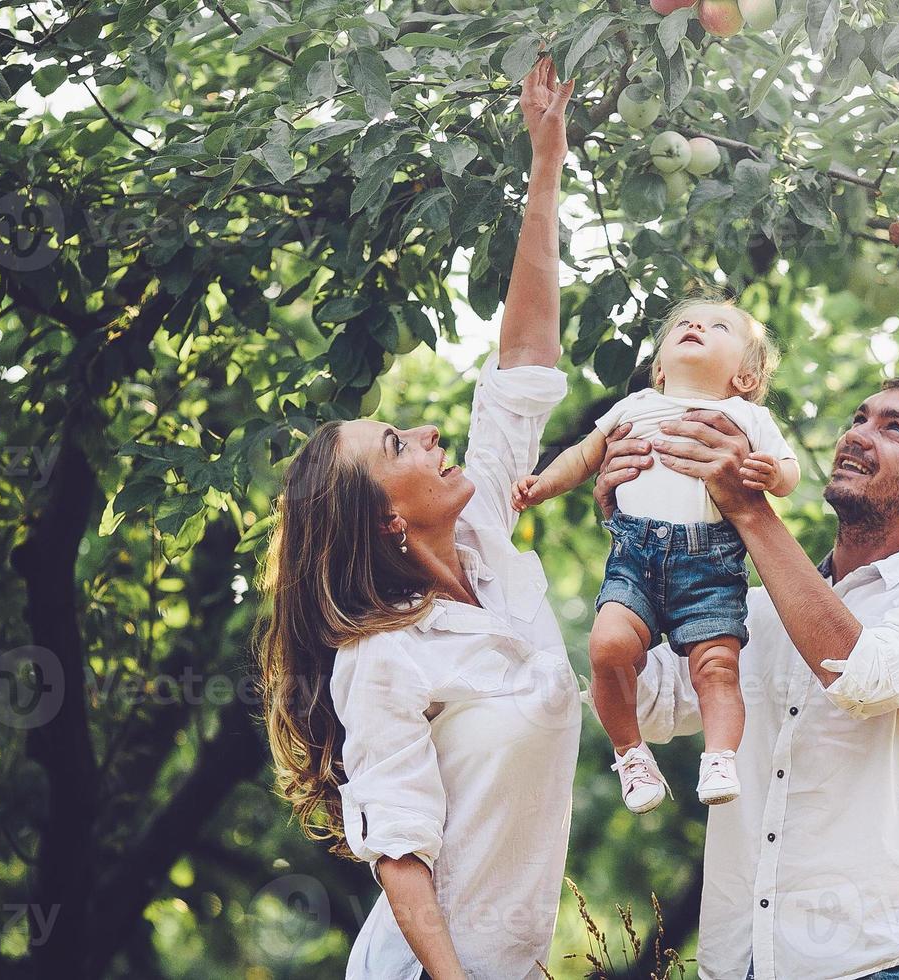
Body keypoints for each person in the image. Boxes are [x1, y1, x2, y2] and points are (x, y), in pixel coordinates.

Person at [255, 58, 578, 980]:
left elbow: (520, 359)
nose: (431, 433)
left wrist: (545, 166)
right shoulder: (383, 657)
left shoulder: (488, 552)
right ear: (386, 522)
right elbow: (399, 848)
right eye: (399, 444)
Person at [592, 374, 899, 980]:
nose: (857, 435)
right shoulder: (752, 611)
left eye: (893, 429)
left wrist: (747, 508)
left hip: (880, 962)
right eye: (860, 418)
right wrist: (637, 539)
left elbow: (860, 674)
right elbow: (646, 701)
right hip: (739, 964)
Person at [511, 297, 798, 812]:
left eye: (719, 326)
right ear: (660, 368)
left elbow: (788, 470)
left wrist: (772, 475)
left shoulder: (746, 417)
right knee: (607, 648)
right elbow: (581, 457)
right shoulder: (633, 407)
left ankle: (720, 757)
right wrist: (542, 486)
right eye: (685, 324)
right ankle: (631, 753)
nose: (695, 325)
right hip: (634, 557)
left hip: (709, 567)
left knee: (717, 668)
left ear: (746, 376)